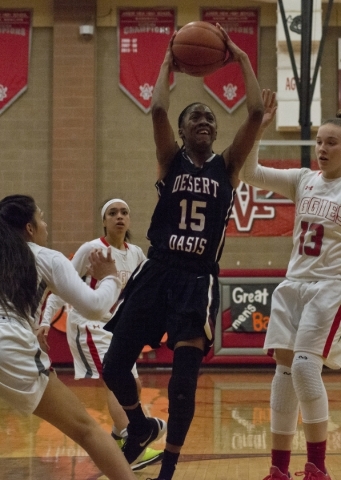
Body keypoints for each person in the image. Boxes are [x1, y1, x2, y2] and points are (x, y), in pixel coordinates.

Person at [101, 25, 263, 480]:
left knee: (184, 384)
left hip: (197, 280)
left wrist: (241, 60)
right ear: (182, 130)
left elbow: (253, 112)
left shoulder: (227, 166)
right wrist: (168, 64)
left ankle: (169, 469)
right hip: (158, 270)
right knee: (114, 366)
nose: (207, 123)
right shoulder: (169, 159)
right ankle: (139, 425)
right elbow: (155, 107)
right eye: (197, 119)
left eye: (211, 119)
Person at [239, 90, 340, 480]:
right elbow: (250, 173)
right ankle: (278, 469)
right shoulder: (303, 180)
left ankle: (317, 467)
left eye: (331, 142)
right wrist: (258, 128)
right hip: (294, 283)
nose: (322, 148)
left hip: (330, 287)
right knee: (282, 371)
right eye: (319, 141)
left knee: (302, 367)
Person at [0, 194, 137, 480]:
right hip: (9, 345)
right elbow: (95, 306)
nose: (46, 224)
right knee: (86, 429)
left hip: (12, 339)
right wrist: (110, 277)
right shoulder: (45, 257)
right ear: (29, 227)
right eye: (41, 217)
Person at [42, 198, 163, 471]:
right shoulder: (93, 249)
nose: (119, 216)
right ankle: (134, 443)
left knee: (134, 386)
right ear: (104, 220)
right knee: (118, 381)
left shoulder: (136, 254)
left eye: (124, 212)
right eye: (113, 213)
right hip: (89, 324)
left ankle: (120, 440)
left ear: (129, 220)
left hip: (118, 325)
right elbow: (61, 286)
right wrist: (47, 320)